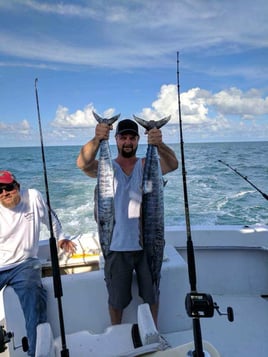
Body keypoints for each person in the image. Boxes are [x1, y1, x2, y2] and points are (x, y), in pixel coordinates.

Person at [76, 118, 178, 327]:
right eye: (123, 137)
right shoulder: (106, 167)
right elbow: (83, 163)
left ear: (139, 140)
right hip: (116, 247)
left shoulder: (146, 164)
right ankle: (117, 334)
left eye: (132, 137)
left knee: (152, 296)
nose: (128, 141)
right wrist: (97, 138)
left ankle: (153, 333)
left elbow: (172, 164)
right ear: (116, 140)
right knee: (116, 301)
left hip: (147, 246)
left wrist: (159, 144)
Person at [0, 170, 76, 357]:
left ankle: (36, 353)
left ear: (17, 186)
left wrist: (61, 237)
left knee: (33, 300)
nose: (4, 193)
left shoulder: (33, 197)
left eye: (8, 188)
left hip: (25, 264)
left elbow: (51, 218)